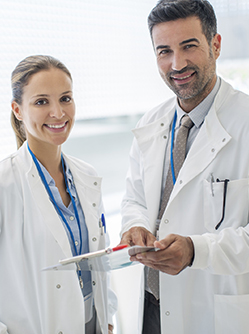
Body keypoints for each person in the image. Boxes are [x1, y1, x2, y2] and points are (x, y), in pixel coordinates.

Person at [120, 1, 249, 333]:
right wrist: (134, 226)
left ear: (216, 45)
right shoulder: (151, 122)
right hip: (149, 308)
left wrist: (196, 251)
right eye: (164, 51)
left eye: (188, 46)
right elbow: (133, 199)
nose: (177, 64)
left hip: (211, 312)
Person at [0, 55, 117, 334]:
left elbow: (100, 259)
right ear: (17, 110)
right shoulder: (5, 184)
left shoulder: (86, 176)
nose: (58, 112)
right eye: (42, 102)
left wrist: (108, 318)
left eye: (65, 98)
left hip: (94, 324)